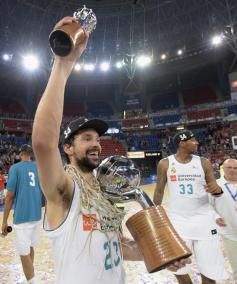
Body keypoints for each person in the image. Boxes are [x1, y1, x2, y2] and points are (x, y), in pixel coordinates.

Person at [31, 17, 189, 284]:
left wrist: (164, 254)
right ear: (68, 148)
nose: (96, 144)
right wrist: (63, 63)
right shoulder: (64, 189)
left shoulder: (104, 192)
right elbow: (44, 143)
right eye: (87, 138)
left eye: (98, 138)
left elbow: (117, 245)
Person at [153, 130, 228, 284]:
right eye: (193, 140)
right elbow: (159, 191)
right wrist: (154, 217)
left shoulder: (203, 162)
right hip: (178, 222)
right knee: (179, 269)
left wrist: (217, 191)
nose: (197, 142)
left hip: (204, 221)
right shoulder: (165, 163)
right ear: (182, 143)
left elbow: (216, 191)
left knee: (210, 270)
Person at [1, 144, 43, 284]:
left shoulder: (15, 168)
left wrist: (4, 221)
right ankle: (30, 277)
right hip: (37, 215)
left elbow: (9, 196)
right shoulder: (38, 167)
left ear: (21, 153)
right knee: (30, 247)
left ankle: (33, 281)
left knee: (23, 253)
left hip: (22, 216)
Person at [209, 158, 237, 283]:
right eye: (229, 168)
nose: (232, 170)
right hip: (229, 233)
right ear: (223, 169)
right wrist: (215, 216)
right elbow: (208, 206)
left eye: (235, 168)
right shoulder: (215, 185)